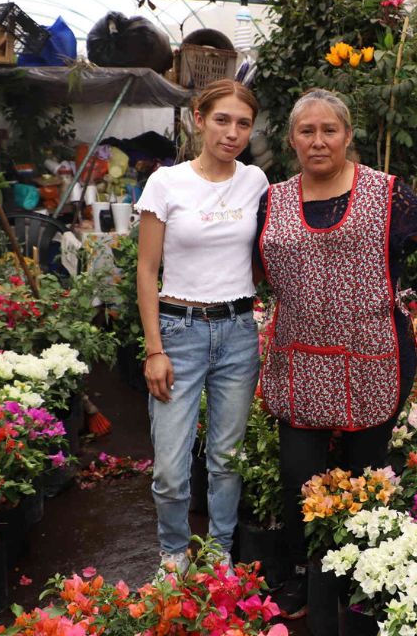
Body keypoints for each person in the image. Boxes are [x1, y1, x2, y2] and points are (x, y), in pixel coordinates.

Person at [254, 89, 417, 621]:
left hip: (374, 356)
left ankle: (362, 578)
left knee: (364, 474)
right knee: (299, 474)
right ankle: (307, 572)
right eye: (307, 131)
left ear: (348, 135)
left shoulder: (386, 194)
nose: (318, 141)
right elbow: (253, 262)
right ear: (292, 139)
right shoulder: (272, 198)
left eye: (329, 130)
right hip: (300, 359)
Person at [135, 79, 269, 573]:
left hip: (237, 332)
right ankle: (174, 556)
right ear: (199, 118)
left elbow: (261, 252)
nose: (232, 132)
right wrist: (154, 349)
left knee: (226, 461)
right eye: (222, 120)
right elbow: (146, 270)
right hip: (178, 333)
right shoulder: (166, 184)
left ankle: (218, 556)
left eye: (243, 123)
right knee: (171, 468)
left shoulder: (255, 181)